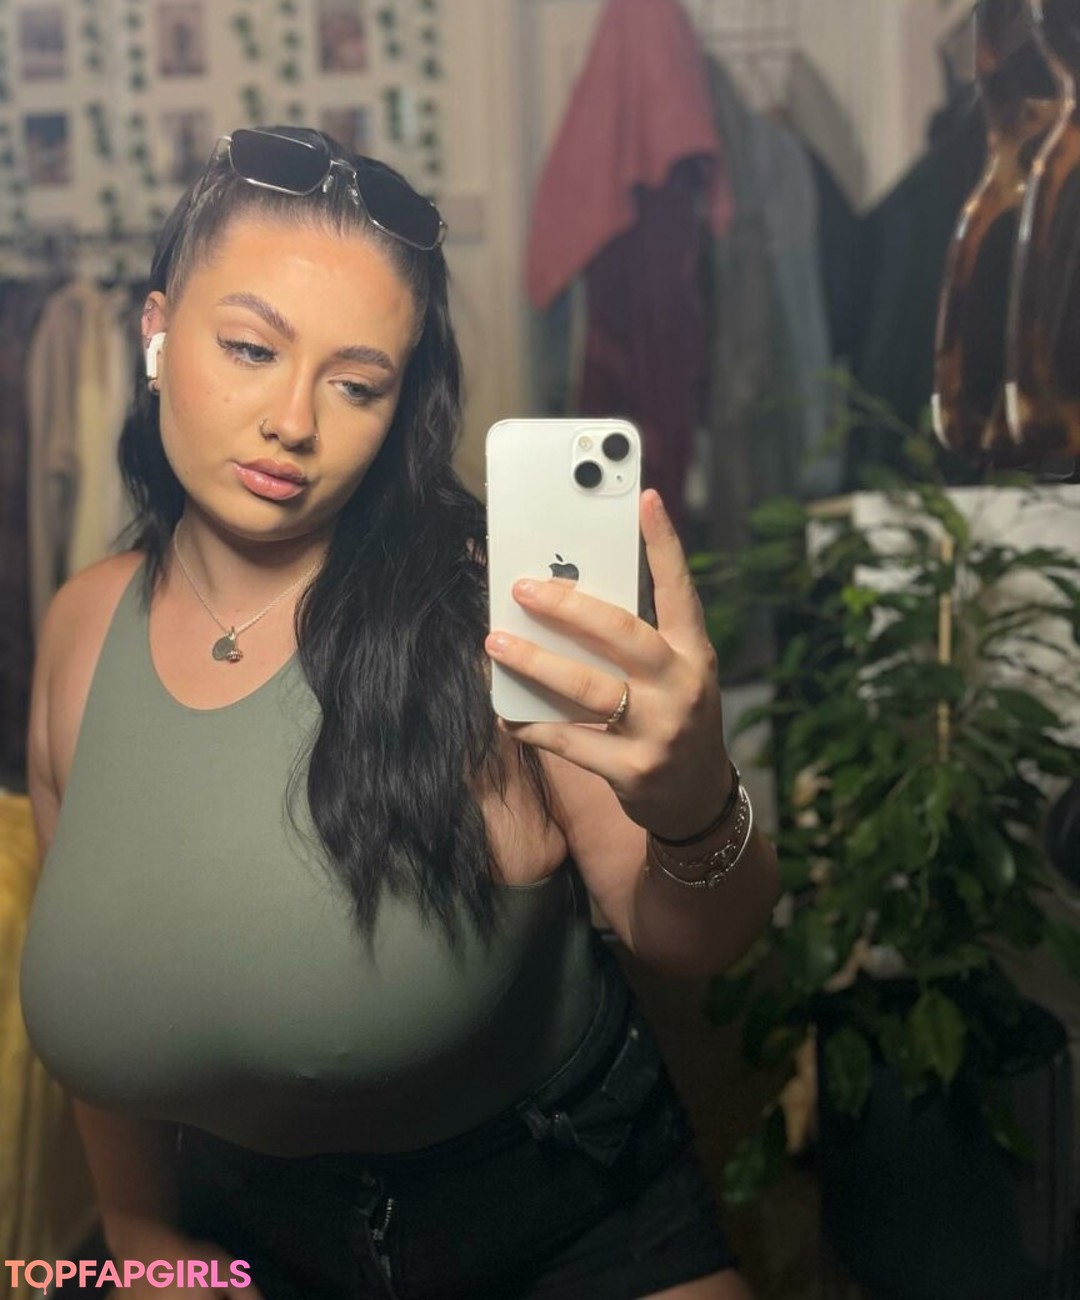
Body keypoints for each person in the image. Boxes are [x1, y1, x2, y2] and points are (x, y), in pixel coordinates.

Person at [20, 126, 779, 1300]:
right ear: (157, 333)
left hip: (561, 1222)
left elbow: (700, 938)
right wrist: (142, 1230)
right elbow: (105, 994)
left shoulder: (495, 608)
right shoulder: (82, 628)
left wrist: (694, 802)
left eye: (356, 383)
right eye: (250, 348)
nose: (293, 420)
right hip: (239, 1234)